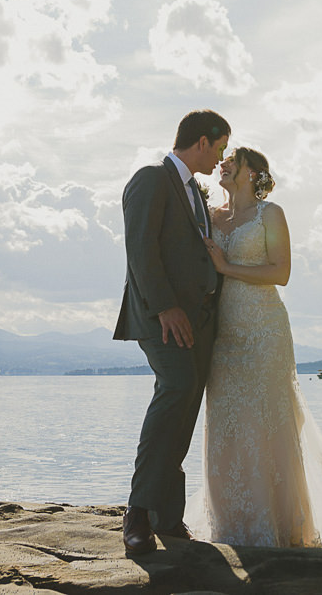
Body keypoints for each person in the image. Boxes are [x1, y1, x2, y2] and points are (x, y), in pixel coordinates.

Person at [191, 146, 322, 547]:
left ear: (252, 173)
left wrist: (225, 267)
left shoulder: (272, 214)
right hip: (224, 335)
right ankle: (231, 524)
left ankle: (280, 526)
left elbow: (280, 273)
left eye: (232, 160)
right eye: (223, 159)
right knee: (228, 423)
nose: (223, 164)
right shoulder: (210, 217)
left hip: (265, 330)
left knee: (269, 422)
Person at [113, 109, 230, 557]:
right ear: (202, 141)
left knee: (185, 408)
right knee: (175, 392)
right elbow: (140, 249)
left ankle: (166, 515)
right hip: (162, 317)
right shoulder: (150, 178)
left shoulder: (195, 194)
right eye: (219, 146)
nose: (220, 156)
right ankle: (137, 514)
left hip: (199, 323)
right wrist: (165, 307)